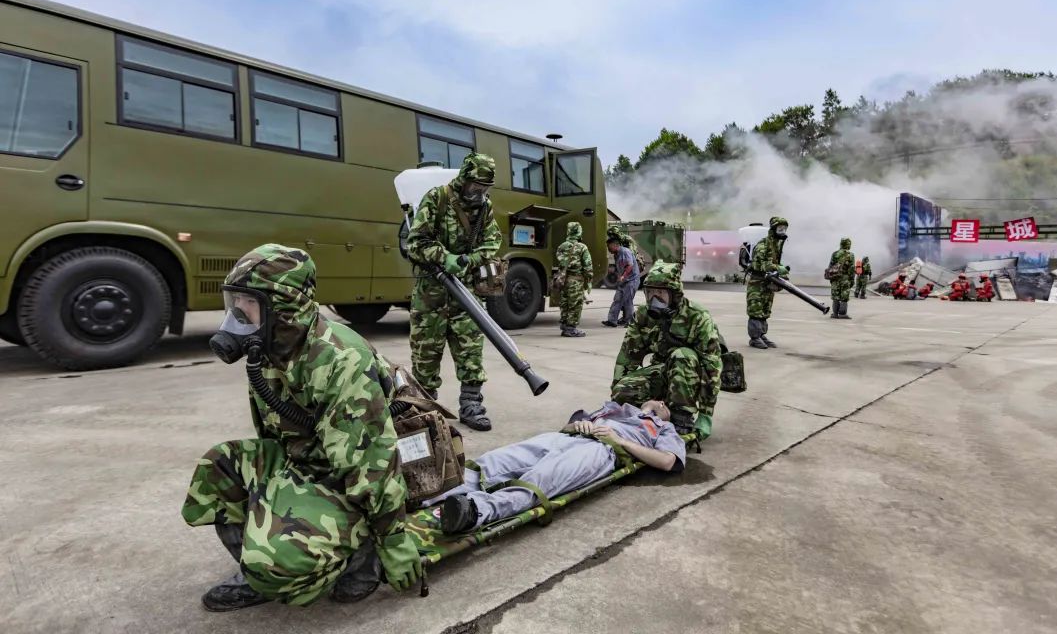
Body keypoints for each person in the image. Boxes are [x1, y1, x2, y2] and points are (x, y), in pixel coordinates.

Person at [182, 245, 420, 611]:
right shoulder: (270, 348)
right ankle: (260, 572)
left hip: (346, 477)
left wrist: (393, 538)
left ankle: (362, 555)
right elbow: (272, 428)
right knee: (219, 467)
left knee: (274, 560)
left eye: (248, 301)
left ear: (284, 306)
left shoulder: (340, 360)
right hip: (306, 462)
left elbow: (371, 460)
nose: (237, 313)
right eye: (235, 300)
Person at [436, 400, 686, 534]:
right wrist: (577, 426)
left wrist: (620, 440)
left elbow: (667, 461)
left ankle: (474, 511)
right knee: (497, 460)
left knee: (540, 480)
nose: (661, 403)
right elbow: (567, 426)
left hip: (603, 451)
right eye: (657, 400)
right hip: (567, 438)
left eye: (666, 406)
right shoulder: (615, 407)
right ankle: (433, 492)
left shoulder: (664, 428)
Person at [405, 151, 502, 431]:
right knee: (425, 355)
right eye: (476, 186)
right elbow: (416, 243)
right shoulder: (438, 198)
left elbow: (492, 242)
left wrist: (468, 261)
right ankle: (424, 409)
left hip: (466, 293)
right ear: (464, 179)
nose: (480, 192)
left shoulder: (484, 208)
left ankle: (472, 405)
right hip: (431, 293)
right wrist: (443, 257)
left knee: (470, 352)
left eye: (485, 188)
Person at [610, 260, 723, 440]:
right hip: (663, 372)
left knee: (682, 356)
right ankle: (659, 408)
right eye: (650, 292)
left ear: (675, 294)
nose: (655, 298)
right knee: (623, 392)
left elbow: (712, 366)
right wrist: (615, 398)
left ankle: (681, 418)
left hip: (691, 375)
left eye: (661, 292)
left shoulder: (697, 316)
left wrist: (706, 413)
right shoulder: (643, 315)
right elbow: (627, 356)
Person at [745, 216, 788, 349]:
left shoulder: (776, 245)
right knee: (756, 310)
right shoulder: (763, 245)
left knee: (765, 310)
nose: (782, 231)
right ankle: (754, 338)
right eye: (780, 228)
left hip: (767, 284)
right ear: (773, 229)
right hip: (757, 284)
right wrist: (776, 268)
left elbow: (774, 262)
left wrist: (782, 271)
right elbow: (759, 264)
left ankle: (761, 334)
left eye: (784, 228)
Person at [555, 221, 593, 337]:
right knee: (575, 304)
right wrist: (589, 281)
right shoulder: (582, 247)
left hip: (564, 280)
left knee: (565, 302)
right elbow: (587, 266)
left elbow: (560, 261)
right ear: (578, 232)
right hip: (576, 281)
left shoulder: (562, 246)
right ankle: (570, 329)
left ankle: (564, 324)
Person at [602, 236, 640, 327]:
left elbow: (629, 265)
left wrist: (623, 276)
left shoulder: (625, 252)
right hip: (623, 281)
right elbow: (620, 266)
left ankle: (630, 322)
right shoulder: (616, 254)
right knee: (617, 299)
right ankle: (612, 320)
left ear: (614, 245)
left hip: (631, 280)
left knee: (627, 301)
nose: (608, 249)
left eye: (609, 246)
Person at [827, 237, 856, 319]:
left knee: (835, 296)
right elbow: (851, 269)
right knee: (844, 297)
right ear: (848, 244)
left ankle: (835, 314)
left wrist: (831, 279)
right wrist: (852, 280)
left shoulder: (835, 253)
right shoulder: (851, 255)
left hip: (835, 278)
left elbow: (830, 266)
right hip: (845, 279)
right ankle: (842, 314)